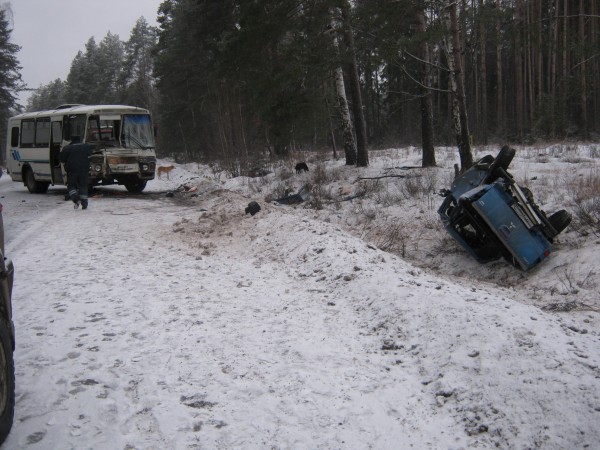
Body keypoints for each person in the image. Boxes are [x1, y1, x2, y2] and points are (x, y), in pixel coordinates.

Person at [59, 136, 93, 210]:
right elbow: (90, 154)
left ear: (71, 140)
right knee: (83, 186)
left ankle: (76, 199)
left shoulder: (67, 148)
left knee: (71, 185)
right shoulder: (85, 146)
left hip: (72, 170)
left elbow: (61, 159)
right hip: (84, 170)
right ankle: (84, 204)